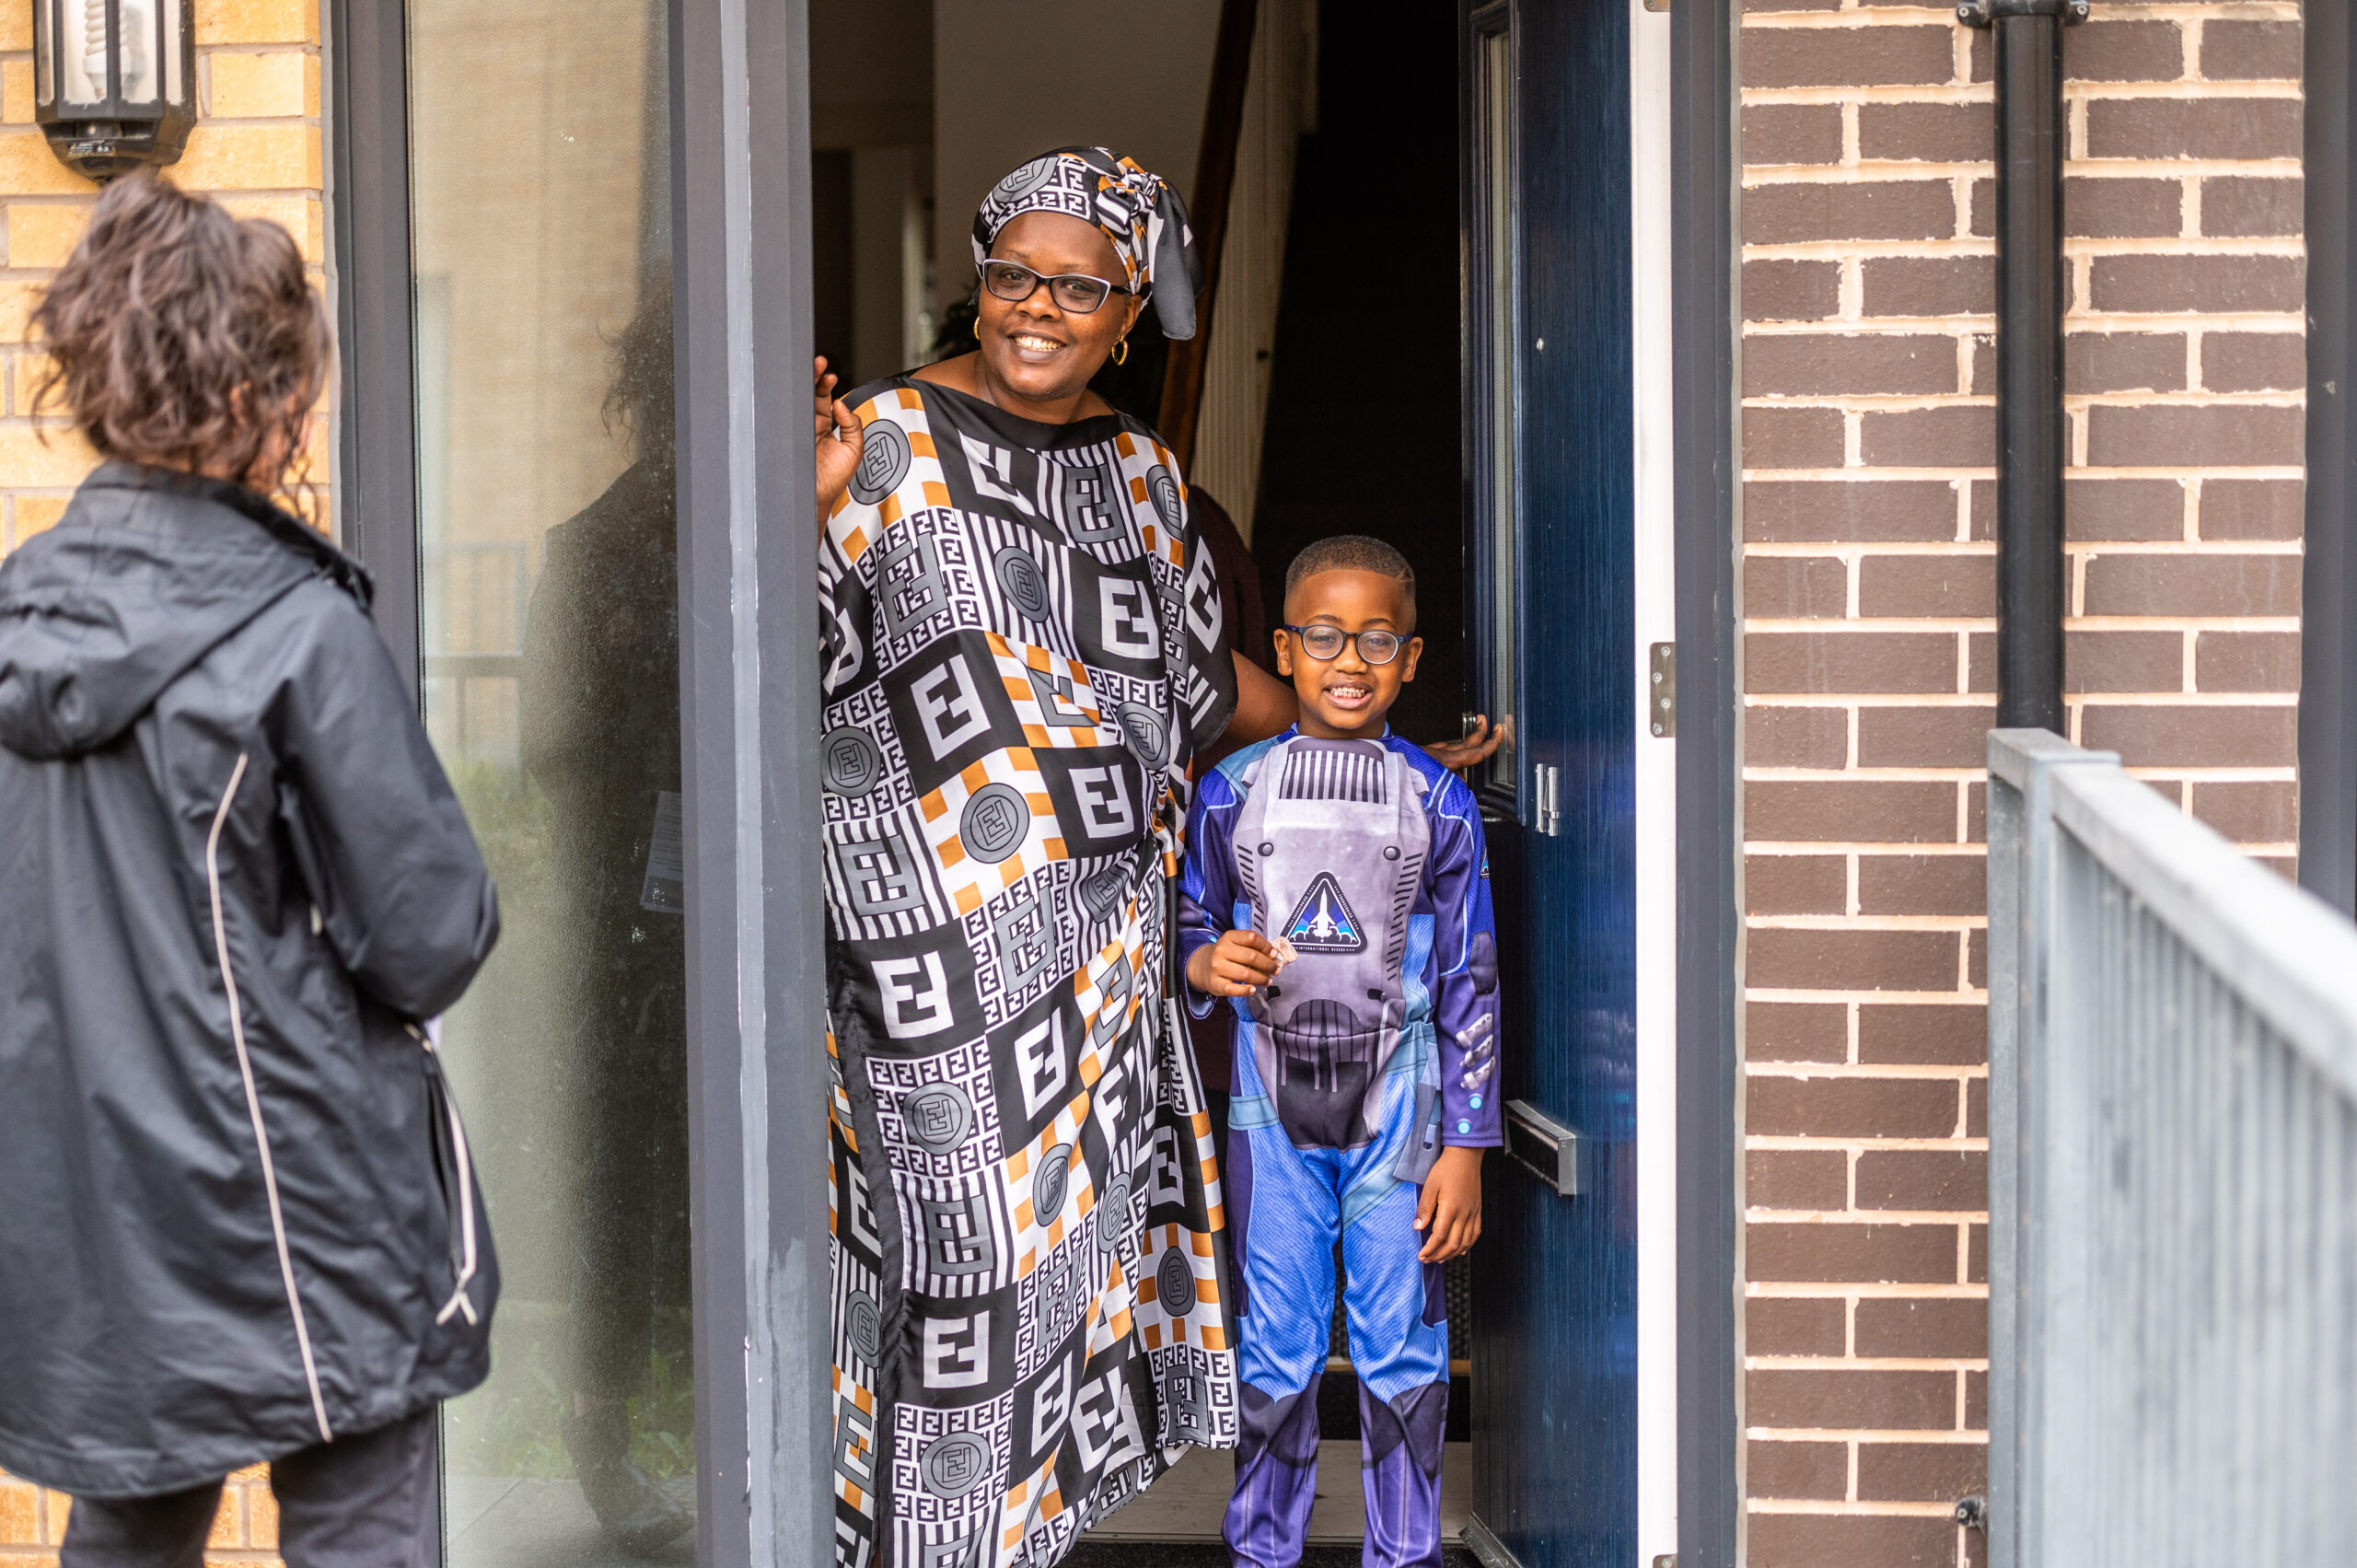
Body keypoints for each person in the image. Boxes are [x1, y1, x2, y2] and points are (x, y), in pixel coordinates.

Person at [808, 148, 1496, 1568]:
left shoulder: (1140, 472)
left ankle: (1006, 1548)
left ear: (1129, 308)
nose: (1038, 307)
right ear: (979, 282)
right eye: (1014, 275)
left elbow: (1204, 681)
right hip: (928, 960)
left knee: (1058, 1295)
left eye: (1081, 284)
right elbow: (765, 664)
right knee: (956, 1276)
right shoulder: (870, 443)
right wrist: (802, 518)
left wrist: (1376, 742)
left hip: (1108, 968)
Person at [0, 174, 501, 1565]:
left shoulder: (15, 619)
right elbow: (431, 931)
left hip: (86, 1199)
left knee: (129, 1517)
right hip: (301, 1206)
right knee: (359, 1519)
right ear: (257, 398)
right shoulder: (292, 629)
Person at [1178, 536, 1499, 1568]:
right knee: (1274, 1351)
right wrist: (1204, 961)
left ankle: (1401, 1554)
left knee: (1401, 1351)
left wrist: (1467, 1144)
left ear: (1409, 658)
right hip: (1269, 1124)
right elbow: (1184, 924)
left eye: (1375, 640)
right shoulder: (1229, 790)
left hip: (1401, 1123)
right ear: (1284, 647)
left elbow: (1470, 978)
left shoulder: (1439, 802)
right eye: (1322, 636)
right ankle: (1261, 1550)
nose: (1347, 659)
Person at [519, 276, 696, 1552]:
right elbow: (549, 745)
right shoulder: (594, 548)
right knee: (626, 1164)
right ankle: (607, 1430)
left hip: (742, 892)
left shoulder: (799, 528)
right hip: (624, 903)